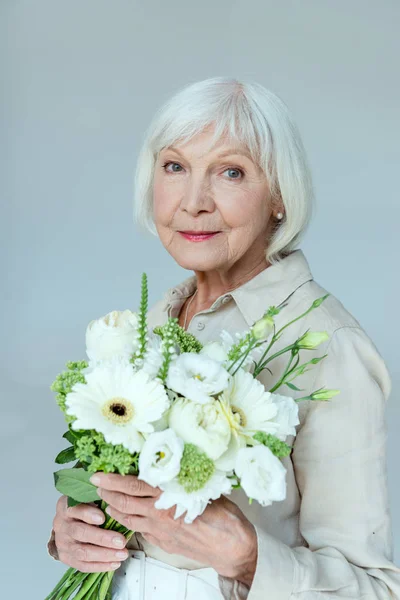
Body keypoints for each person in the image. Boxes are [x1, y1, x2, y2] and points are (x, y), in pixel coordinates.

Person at [47, 76, 400, 599]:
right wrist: (76, 532)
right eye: (175, 167)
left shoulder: (326, 343)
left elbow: (373, 589)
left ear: (280, 195)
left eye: (230, 172)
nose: (193, 202)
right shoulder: (155, 324)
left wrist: (248, 556)